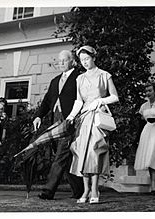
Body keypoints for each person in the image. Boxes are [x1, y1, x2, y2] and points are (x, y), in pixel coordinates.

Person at [66, 45, 119, 204]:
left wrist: (100, 101)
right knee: (82, 153)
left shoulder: (105, 75)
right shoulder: (79, 78)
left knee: (94, 152)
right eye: (82, 60)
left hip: (97, 118)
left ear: (94, 58)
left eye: (87, 59)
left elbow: (114, 97)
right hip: (83, 118)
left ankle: (95, 189)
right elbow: (79, 101)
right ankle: (86, 189)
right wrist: (71, 116)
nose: (85, 62)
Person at [32, 50, 84, 200]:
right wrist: (38, 116)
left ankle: (48, 191)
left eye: (64, 60)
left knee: (61, 156)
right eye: (59, 61)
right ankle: (79, 190)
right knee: (64, 157)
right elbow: (47, 101)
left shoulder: (79, 78)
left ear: (72, 61)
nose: (60, 63)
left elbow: (83, 99)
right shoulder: (55, 80)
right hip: (55, 121)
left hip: (70, 121)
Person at [134, 82, 155, 194]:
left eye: (150, 91)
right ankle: (153, 182)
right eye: (146, 91)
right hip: (148, 131)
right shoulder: (143, 106)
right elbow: (141, 122)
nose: (148, 93)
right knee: (149, 156)